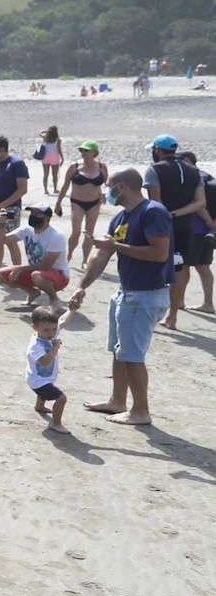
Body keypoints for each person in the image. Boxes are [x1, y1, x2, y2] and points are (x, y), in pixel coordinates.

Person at [66, 169, 173, 426]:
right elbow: (101, 255)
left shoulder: (153, 211)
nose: (106, 193)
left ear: (122, 187)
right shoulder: (120, 218)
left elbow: (160, 253)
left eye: (109, 187)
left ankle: (140, 411)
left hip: (145, 294)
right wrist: (82, 287)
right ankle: (117, 400)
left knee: (132, 355)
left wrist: (116, 247)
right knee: (119, 351)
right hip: (126, 293)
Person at [142, 135, 207, 330]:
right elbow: (200, 203)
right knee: (179, 267)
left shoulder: (154, 169)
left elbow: (156, 201)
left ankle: (150, 312)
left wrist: (166, 215)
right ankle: (172, 316)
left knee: (151, 265)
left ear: (158, 150)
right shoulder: (194, 172)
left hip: (158, 226)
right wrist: (176, 214)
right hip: (184, 227)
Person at [0, 203, 71, 307]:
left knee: (37, 275)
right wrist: (1, 224)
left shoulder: (56, 236)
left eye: (37, 214)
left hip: (59, 275)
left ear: (47, 218)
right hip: (35, 272)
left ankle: (54, 299)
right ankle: (32, 292)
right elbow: (1, 241)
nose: (33, 215)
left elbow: (46, 266)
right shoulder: (27, 230)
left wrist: (21, 269)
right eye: (32, 213)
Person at [54, 140, 108, 264]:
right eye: (81, 150)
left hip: (94, 203)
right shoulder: (75, 166)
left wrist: (105, 193)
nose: (82, 152)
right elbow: (65, 185)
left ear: (94, 152)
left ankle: (84, 261)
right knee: (76, 231)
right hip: (77, 202)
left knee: (89, 233)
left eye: (86, 150)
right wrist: (58, 203)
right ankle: (69, 254)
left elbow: (107, 183)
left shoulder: (101, 166)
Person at [0, 136, 30, 274]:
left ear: (2, 149)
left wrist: (2, 204)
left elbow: (22, 189)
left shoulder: (16, 163)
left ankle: (17, 272)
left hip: (10, 208)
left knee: (9, 240)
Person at [175, 151, 215, 314]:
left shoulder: (192, 177)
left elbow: (196, 202)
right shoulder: (207, 176)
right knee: (203, 266)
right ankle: (208, 303)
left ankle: (179, 301)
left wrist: (208, 221)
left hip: (196, 228)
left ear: (187, 161)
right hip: (208, 231)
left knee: (184, 265)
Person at [26, 306, 72, 435]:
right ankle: (56, 423)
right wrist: (55, 348)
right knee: (61, 398)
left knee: (48, 385)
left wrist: (72, 309)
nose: (52, 333)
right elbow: (45, 361)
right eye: (47, 330)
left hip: (41, 377)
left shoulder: (47, 335)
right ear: (34, 328)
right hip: (37, 381)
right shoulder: (36, 345)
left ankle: (39, 406)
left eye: (53, 329)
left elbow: (62, 321)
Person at [37, 125, 63, 195]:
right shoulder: (58, 140)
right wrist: (62, 158)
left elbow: (40, 132)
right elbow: (59, 149)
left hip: (45, 157)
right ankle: (55, 189)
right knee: (54, 175)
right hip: (54, 157)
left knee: (45, 174)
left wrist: (46, 131)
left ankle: (45, 190)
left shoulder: (45, 137)